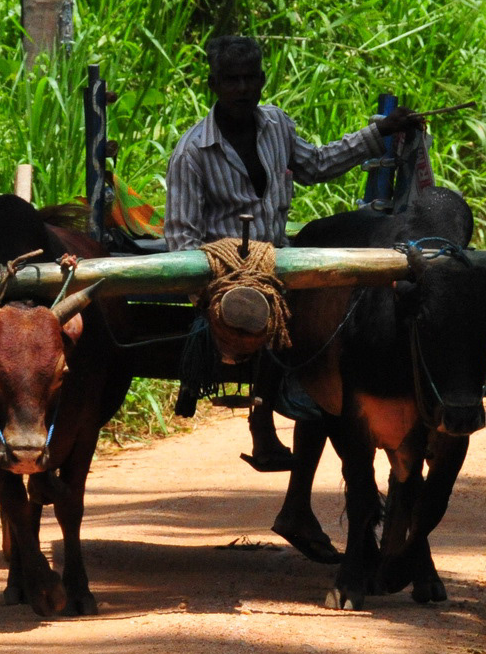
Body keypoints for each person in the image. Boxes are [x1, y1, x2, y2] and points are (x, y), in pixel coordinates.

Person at [165, 35, 423, 469]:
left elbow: (316, 164)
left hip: (281, 262)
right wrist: (209, 299)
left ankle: (321, 401)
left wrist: (379, 131)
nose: (242, 88)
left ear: (262, 80)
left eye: (250, 78)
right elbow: (181, 239)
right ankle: (263, 417)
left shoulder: (276, 126)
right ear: (214, 84)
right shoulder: (193, 152)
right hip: (230, 279)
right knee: (261, 308)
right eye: (232, 80)